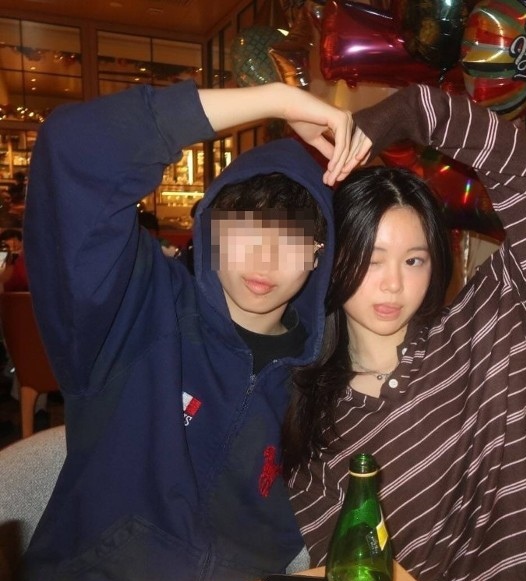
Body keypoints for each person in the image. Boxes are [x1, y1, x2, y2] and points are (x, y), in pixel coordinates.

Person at [21, 79, 363, 581]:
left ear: (318, 254)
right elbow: (72, 150)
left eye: (291, 236)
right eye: (244, 226)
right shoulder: (134, 305)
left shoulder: (319, 378)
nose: (265, 256)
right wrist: (275, 99)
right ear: (209, 229)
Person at [285, 83, 526, 581]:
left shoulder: (483, 326)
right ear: (332, 261)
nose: (394, 284)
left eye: (414, 260)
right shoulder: (312, 403)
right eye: (371, 258)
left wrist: (407, 112)